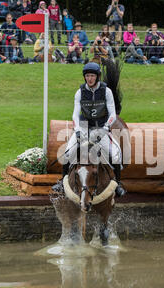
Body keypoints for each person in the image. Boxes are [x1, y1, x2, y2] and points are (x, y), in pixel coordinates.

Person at [52, 62, 126, 197]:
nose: (89, 79)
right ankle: (62, 182)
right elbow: (75, 114)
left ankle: (117, 184)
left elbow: (112, 115)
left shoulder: (106, 91)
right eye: (87, 76)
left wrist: (104, 129)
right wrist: (78, 130)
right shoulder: (80, 92)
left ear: (97, 77)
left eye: (92, 76)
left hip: (101, 128)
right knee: (68, 153)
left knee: (113, 155)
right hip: (84, 127)